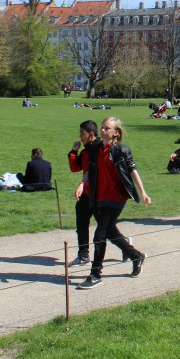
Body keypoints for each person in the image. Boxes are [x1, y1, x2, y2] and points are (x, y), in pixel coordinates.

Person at [77, 117, 152, 289]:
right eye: (102, 127)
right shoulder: (96, 148)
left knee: (99, 235)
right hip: (99, 197)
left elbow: (133, 171)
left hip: (117, 198)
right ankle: (136, 256)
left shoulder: (122, 150)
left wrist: (143, 193)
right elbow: (89, 169)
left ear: (115, 133)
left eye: (106, 128)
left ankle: (95, 274)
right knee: (110, 232)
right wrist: (82, 184)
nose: (102, 130)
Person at [67, 120, 98, 267]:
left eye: (82, 133)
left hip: (98, 193)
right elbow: (75, 168)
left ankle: (128, 248)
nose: (80, 136)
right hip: (85, 193)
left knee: (108, 229)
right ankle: (83, 255)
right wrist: (73, 152)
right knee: (81, 224)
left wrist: (82, 184)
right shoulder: (85, 151)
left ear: (91, 134)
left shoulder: (98, 149)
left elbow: (93, 171)